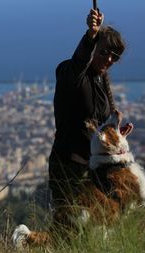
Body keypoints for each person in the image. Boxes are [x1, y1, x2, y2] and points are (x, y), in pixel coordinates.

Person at [48, 8, 126, 227]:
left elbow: (95, 124)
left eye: (114, 56)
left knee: (100, 226)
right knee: (70, 227)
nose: (109, 59)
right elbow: (79, 62)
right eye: (104, 52)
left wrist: (115, 131)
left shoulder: (100, 81)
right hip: (69, 166)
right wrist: (90, 36)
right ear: (93, 49)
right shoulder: (69, 73)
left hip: (95, 167)